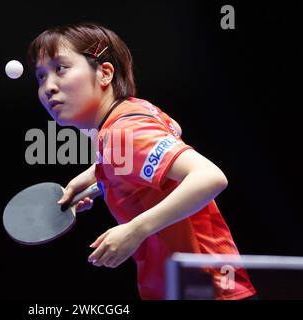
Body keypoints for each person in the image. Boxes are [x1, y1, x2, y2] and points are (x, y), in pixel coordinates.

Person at [27, 22, 256, 300]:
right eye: (40, 76)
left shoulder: (124, 132)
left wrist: (135, 230)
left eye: (60, 68)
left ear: (104, 73)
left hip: (206, 291)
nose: (48, 87)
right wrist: (99, 175)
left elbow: (210, 177)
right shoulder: (134, 111)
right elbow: (174, 129)